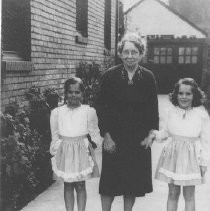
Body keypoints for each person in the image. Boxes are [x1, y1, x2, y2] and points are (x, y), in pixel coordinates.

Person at [95, 32, 159, 211]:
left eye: (134, 52)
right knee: (109, 182)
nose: (130, 56)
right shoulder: (110, 76)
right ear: (120, 53)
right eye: (126, 52)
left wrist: (150, 134)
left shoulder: (148, 77)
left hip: (137, 139)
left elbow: (153, 109)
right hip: (114, 137)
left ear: (140, 53)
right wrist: (106, 136)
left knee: (131, 183)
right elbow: (101, 108)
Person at [145, 78, 210, 211]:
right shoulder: (171, 112)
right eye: (181, 93)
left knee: (189, 195)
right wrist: (154, 135)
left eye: (188, 94)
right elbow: (165, 132)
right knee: (173, 194)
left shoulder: (201, 115)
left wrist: (204, 162)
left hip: (192, 159)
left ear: (194, 95)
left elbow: (206, 141)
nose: (184, 97)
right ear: (176, 95)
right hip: (172, 157)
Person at [49, 77, 101, 211]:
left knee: (80, 184)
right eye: (70, 92)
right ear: (65, 93)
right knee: (68, 185)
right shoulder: (57, 113)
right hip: (65, 151)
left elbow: (94, 131)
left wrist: (93, 145)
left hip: (81, 150)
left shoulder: (88, 111)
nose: (73, 95)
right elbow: (54, 133)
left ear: (82, 94)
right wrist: (55, 149)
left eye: (77, 92)